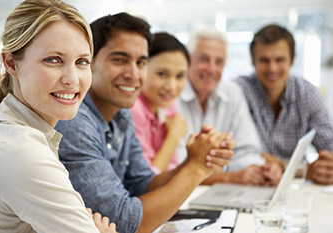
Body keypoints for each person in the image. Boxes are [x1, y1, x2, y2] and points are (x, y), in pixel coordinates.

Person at [55, 13, 235, 233]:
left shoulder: (121, 113)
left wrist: (195, 161)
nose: (133, 74)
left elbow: (143, 184)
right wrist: (196, 169)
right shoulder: (74, 121)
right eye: (119, 60)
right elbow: (125, 223)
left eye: (141, 62)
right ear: (88, 63)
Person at [0, 0, 117, 232]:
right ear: (11, 63)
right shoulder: (22, 151)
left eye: (82, 61)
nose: (72, 79)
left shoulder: (15, 135)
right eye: (53, 60)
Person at [177, 26, 283, 186]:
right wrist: (231, 177)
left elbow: (245, 151)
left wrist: (261, 170)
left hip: (218, 192)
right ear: (188, 60)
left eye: (219, 62)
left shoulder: (232, 93)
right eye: (204, 59)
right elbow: (175, 169)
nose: (212, 69)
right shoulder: (171, 95)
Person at [235, 24, 333, 185]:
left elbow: (329, 147)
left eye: (279, 60)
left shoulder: (307, 93)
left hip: (294, 188)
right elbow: (237, 154)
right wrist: (302, 170)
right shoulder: (237, 92)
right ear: (253, 62)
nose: (272, 68)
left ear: (292, 61)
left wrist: (326, 167)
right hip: (249, 184)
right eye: (264, 60)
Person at [130, 32, 189, 174]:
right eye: (162, 74)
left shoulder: (167, 107)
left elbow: (170, 168)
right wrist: (174, 136)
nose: (171, 87)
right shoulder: (133, 108)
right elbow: (148, 177)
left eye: (180, 76)